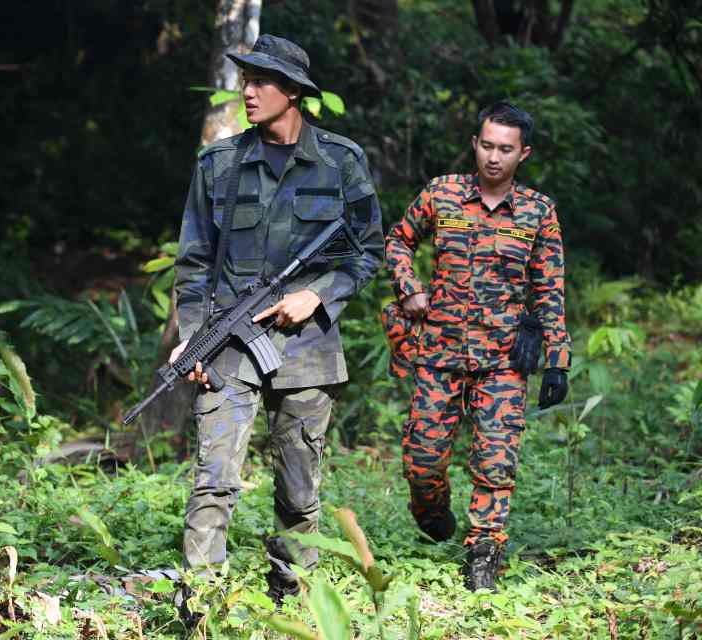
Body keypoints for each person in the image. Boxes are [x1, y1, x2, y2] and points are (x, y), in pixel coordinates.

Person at [170, 34, 384, 607]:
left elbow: (367, 251)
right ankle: (201, 606)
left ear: (293, 92)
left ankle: (293, 599)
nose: (249, 90)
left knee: (298, 493)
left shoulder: (341, 161)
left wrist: (317, 295)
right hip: (229, 348)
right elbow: (191, 262)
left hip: (307, 350)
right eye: (245, 79)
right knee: (214, 480)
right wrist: (192, 336)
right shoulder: (218, 164)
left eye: (261, 81)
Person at [385, 102, 571, 591]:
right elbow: (399, 241)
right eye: (486, 145)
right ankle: (430, 510)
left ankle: (484, 551)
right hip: (439, 353)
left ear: (522, 153)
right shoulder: (442, 194)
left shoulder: (537, 211)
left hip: (504, 360)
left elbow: (550, 288)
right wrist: (410, 288)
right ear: (475, 144)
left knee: (496, 460)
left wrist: (557, 361)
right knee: (422, 460)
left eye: (505, 149)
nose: (493, 157)